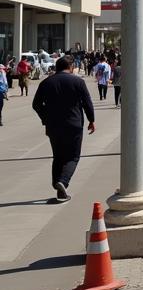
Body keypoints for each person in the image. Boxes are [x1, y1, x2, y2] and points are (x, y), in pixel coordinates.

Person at [32, 56, 95, 202]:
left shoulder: (46, 83)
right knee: (73, 156)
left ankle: (58, 187)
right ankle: (63, 181)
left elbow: (36, 104)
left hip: (53, 126)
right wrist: (91, 120)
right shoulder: (78, 81)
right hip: (74, 125)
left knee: (58, 156)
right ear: (71, 66)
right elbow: (87, 103)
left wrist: (45, 118)